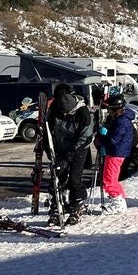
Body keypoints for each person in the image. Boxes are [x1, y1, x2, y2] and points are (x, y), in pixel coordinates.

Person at [49, 85, 95, 225]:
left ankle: (77, 205)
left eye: (67, 114)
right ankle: (57, 205)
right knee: (58, 177)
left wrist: (68, 157)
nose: (63, 116)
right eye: (62, 114)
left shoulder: (83, 113)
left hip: (79, 149)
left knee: (75, 178)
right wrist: (51, 151)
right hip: (60, 148)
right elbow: (48, 132)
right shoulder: (55, 110)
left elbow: (85, 138)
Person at [96, 94, 133, 214]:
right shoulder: (122, 119)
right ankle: (119, 200)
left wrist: (101, 138)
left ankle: (118, 204)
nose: (108, 112)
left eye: (109, 109)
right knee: (112, 178)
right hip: (117, 151)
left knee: (109, 179)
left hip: (116, 152)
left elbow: (113, 139)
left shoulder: (121, 121)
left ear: (115, 109)